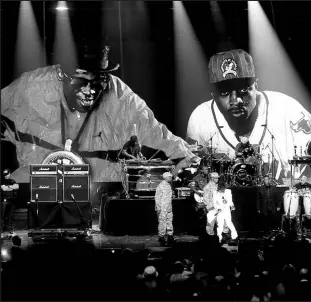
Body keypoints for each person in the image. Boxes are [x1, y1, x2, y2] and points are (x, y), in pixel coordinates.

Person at [1, 43, 198, 183]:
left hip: (102, 193)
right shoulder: (30, 87)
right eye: (81, 82)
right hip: (34, 190)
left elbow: (158, 133)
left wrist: (185, 158)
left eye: (99, 81)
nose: (91, 91)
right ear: (61, 74)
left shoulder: (121, 95)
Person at [186, 49, 311, 183]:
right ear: (214, 95)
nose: (236, 100)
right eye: (225, 93)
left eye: (243, 89)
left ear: (256, 85)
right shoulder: (201, 118)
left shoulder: (286, 108)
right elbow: (191, 171)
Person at [213, 176, 238, 242]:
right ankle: (219, 237)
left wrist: (232, 205)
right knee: (220, 224)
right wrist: (218, 208)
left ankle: (234, 235)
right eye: (221, 190)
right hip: (220, 210)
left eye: (223, 189)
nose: (222, 191)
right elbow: (214, 202)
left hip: (226, 209)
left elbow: (230, 200)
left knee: (229, 222)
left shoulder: (228, 191)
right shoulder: (215, 193)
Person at [189, 165, 210, 236]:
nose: (207, 171)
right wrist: (198, 192)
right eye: (206, 169)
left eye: (207, 169)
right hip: (200, 199)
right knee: (201, 215)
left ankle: (207, 231)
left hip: (208, 199)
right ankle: (200, 232)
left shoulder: (209, 177)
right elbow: (192, 187)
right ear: (201, 171)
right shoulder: (196, 178)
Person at [155, 172, 174, 246]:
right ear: (166, 177)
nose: (171, 178)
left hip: (168, 207)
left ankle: (170, 236)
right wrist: (158, 208)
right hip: (163, 208)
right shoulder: (161, 186)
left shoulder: (168, 185)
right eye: (170, 177)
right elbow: (157, 197)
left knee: (169, 221)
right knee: (162, 222)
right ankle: (161, 237)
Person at [203, 172, 219, 236]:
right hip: (212, 207)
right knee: (210, 223)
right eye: (216, 178)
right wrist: (210, 208)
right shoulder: (208, 187)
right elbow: (206, 199)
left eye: (218, 178)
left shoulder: (217, 186)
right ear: (212, 178)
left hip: (218, 207)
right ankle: (210, 236)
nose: (217, 179)